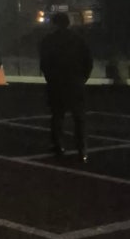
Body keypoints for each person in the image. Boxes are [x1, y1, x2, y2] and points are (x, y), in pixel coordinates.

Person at [39, 11, 93, 163]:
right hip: (75, 82)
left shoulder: (48, 40)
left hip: (57, 82)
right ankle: (82, 149)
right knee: (79, 117)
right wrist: (83, 78)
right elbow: (88, 61)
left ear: (54, 24)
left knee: (57, 115)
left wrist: (50, 78)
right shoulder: (78, 39)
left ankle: (58, 144)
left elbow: (44, 63)